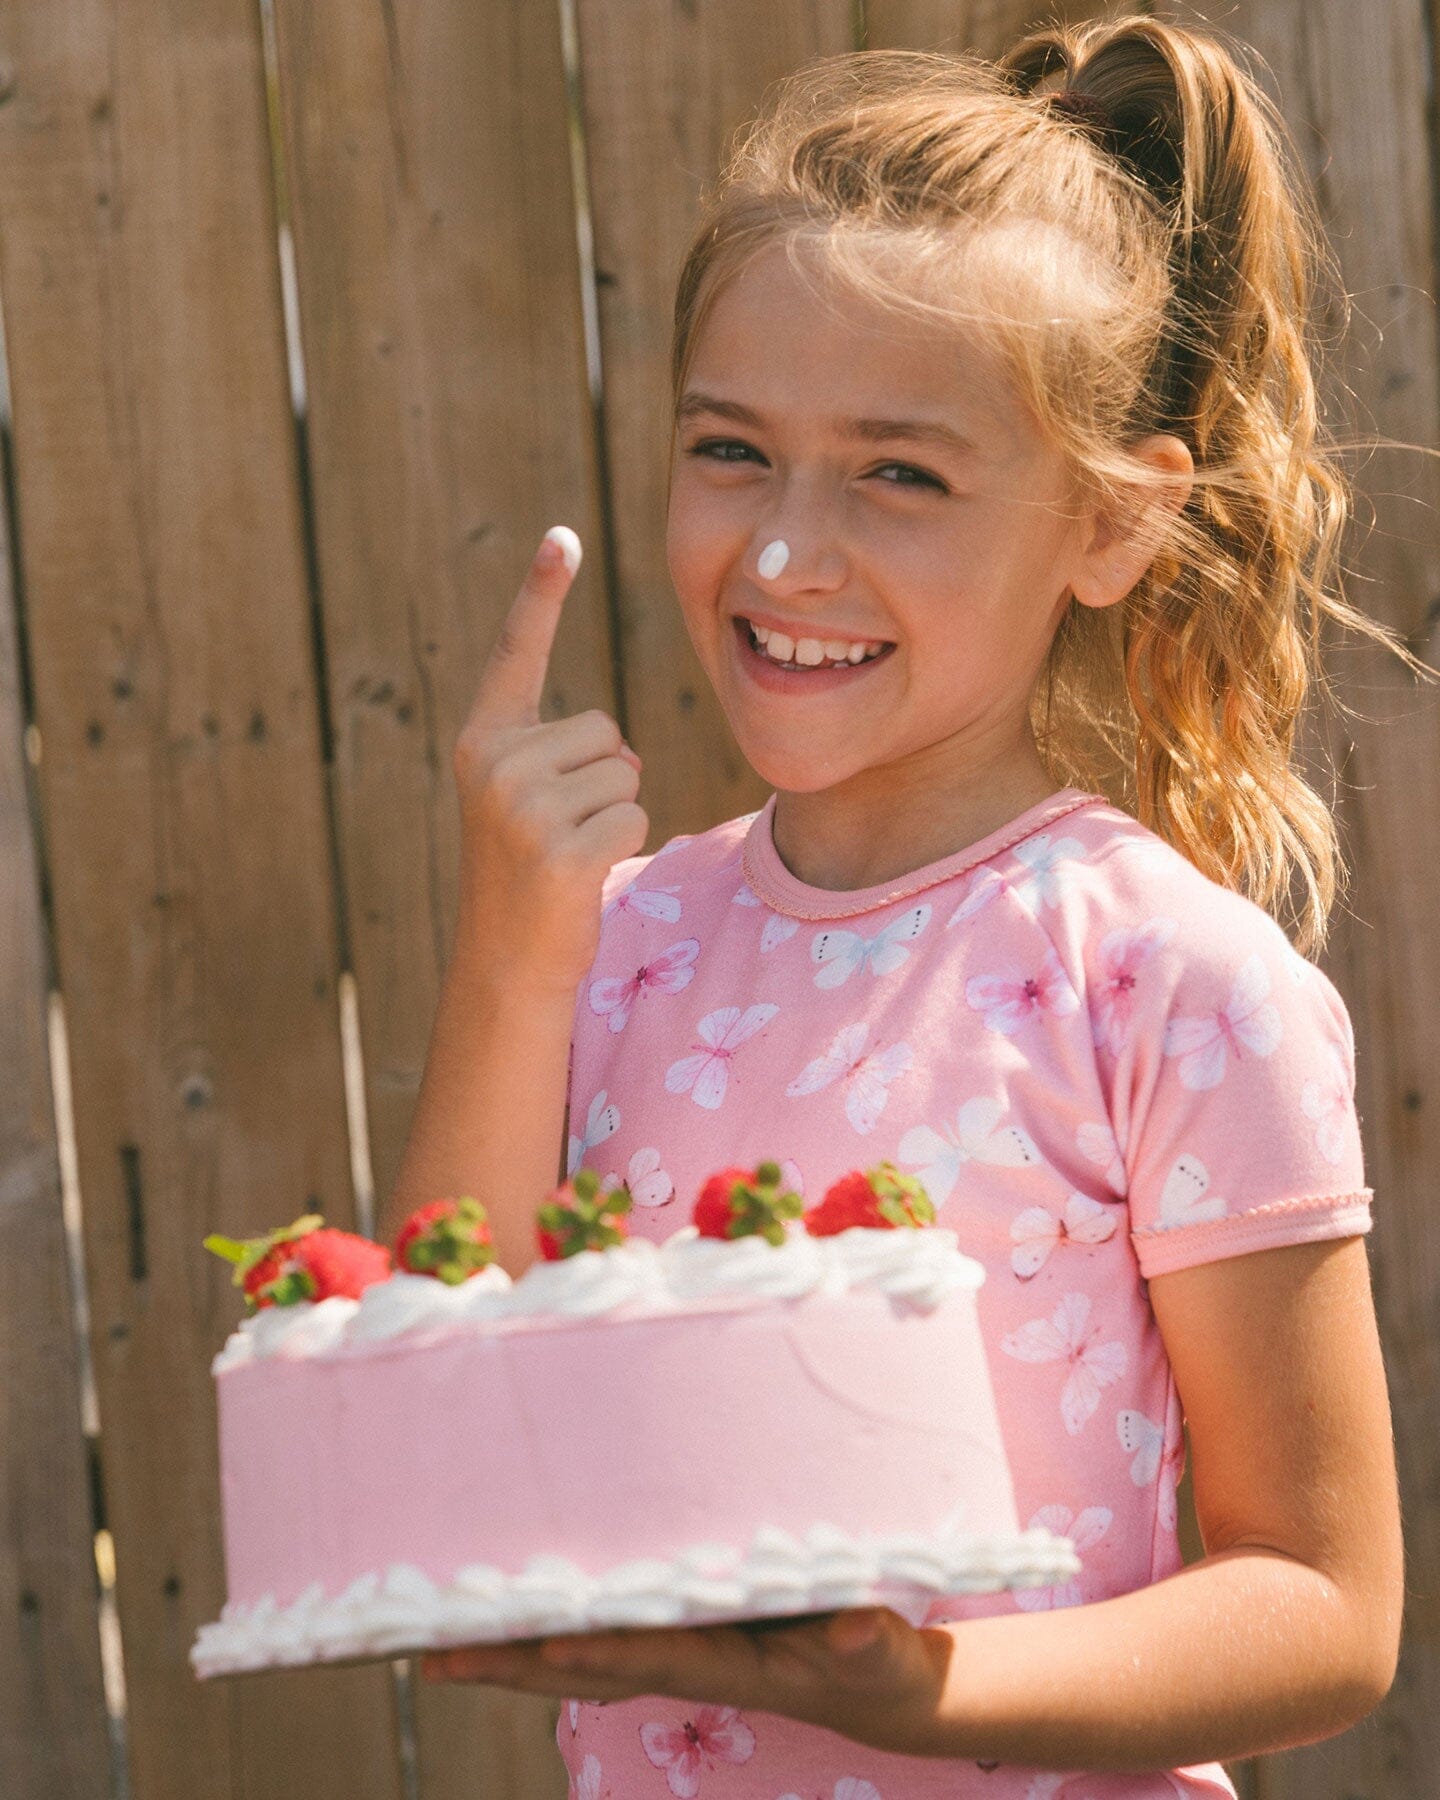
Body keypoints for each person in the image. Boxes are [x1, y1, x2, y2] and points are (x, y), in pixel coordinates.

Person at [385, 15, 1418, 1796]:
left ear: (1113, 525)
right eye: (731, 450)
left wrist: (913, 1690)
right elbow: (428, 1467)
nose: (787, 552)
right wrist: (508, 956)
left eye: (901, 472)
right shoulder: (608, 945)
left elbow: (1325, 1609)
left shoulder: (1166, 979)